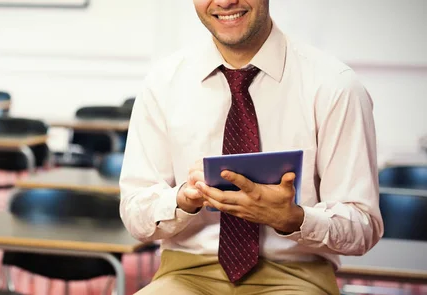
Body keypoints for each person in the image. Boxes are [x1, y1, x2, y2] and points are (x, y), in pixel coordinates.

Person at [119, 0, 384, 294]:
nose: (224, 2)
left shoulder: (336, 86)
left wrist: (294, 218)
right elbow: (135, 214)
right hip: (186, 273)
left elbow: (362, 227)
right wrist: (182, 200)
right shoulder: (163, 83)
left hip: (296, 277)